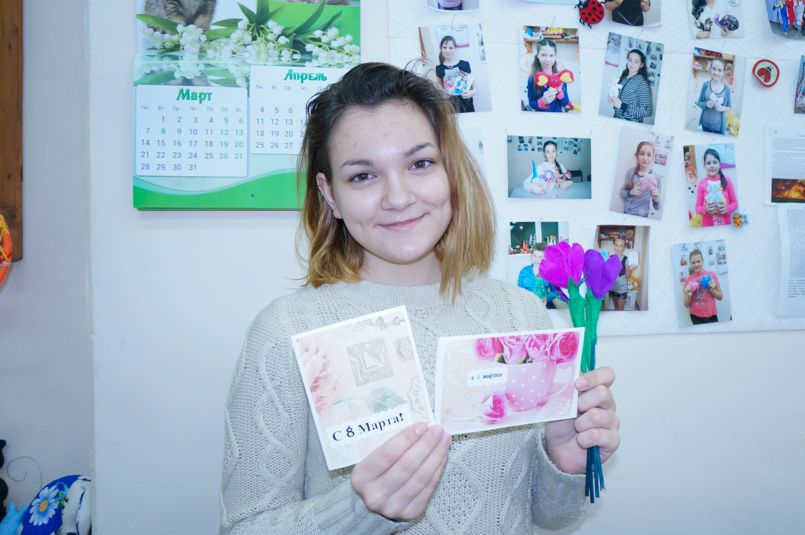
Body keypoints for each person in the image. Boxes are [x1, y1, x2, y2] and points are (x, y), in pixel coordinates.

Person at [220, 63, 620, 534]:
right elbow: (243, 527)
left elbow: (549, 516)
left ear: (450, 169)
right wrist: (359, 512)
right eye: (363, 176)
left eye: (420, 164)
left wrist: (565, 461)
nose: (398, 197)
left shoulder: (520, 313)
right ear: (330, 195)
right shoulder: (286, 331)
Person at [526, 39, 573, 112]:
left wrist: (559, 91)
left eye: (551, 55)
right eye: (543, 55)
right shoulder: (532, 78)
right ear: (538, 55)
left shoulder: (561, 77)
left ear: (555, 56)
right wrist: (542, 101)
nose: (548, 59)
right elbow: (531, 104)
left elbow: (566, 103)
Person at [695, 147, 738, 227]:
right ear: (704, 165)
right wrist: (705, 209)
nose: (712, 166)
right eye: (708, 163)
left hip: (726, 224)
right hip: (707, 225)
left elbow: (735, 203)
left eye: (715, 162)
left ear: (719, 164)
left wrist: (727, 208)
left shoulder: (727, 181)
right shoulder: (701, 184)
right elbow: (697, 208)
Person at [608, 48, 653, 123]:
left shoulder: (642, 83)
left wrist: (623, 106)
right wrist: (612, 97)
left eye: (636, 61)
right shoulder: (623, 77)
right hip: (616, 117)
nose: (632, 64)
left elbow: (647, 111)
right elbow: (621, 97)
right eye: (630, 60)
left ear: (641, 65)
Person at [434, 35, 476, 114]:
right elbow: (439, 84)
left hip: (466, 103)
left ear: (455, 49)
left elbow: (473, 86)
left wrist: (472, 92)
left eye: (451, 48)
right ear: (441, 48)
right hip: (450, 105)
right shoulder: (439, 68)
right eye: (444, 47)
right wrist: (442, 93)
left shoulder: (464, 64)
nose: (447, 50)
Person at [517, 243, 565, 309]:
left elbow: (557, 291)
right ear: (531, 256)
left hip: (545, 305)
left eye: (540, 257)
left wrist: (546, 298)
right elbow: (518, 291)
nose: (536, 260)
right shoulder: (524, 271)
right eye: (534, 256)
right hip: (528, 305)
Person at [619, 141, 660, 217]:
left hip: (642, 216)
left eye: (649, 155)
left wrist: (656, 199)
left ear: (653, 157)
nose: (645, 158)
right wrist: (631, 192)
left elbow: (657, 208)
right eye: (641, 154)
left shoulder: (656, 178)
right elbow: (622, 193)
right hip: (626, 213)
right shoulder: (630, 172)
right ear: (637, 155)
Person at [683, 249, 723, 324]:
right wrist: (689, 295)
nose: (696, 265)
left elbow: (720, 297)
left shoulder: (712, 275)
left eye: (698, 261)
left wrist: (712, 289)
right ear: (690, 264)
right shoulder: (688, 280)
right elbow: (686, 304)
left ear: (702, 261)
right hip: (695, 317)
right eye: (693, 262)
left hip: (711, 315)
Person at [696, 58, 732, 135]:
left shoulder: (727, 89)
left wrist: (721, 108)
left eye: (719, 70)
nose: (716, 72)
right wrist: (706, 104)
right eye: (714, 69)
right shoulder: (705, 85)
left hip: (719, 128)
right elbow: (699, 103)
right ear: (710, 69)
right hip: (705, 125)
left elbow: (729, 107)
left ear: (723, 72)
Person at [608, 237, 635, 311]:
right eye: (616, 245)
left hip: (621, 289)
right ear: (614, 246)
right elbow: (609, 274)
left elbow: (627, 275)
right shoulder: (610, 258)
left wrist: (630, 269)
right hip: (612, 287)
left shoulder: (626, 259)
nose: (618, 248)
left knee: (620, 309)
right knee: (615, 307)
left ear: (623, 248)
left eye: (620, 246)